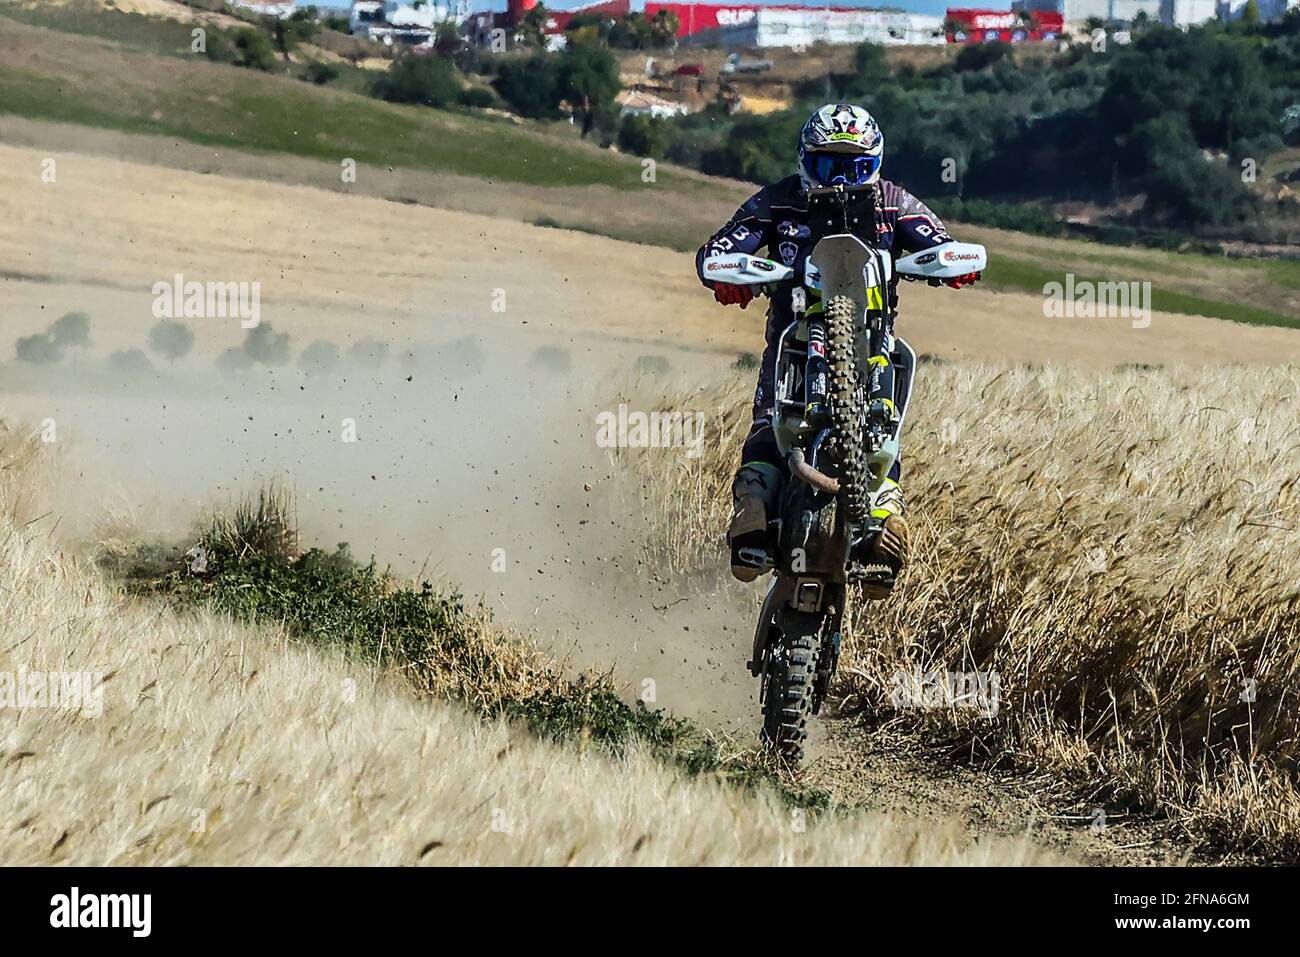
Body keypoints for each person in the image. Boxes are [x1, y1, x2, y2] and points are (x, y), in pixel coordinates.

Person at [695, 103, 980, 585]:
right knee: (767, 424)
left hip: (871, 344)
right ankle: (752, 509)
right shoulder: (778, 201)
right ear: (806, 160)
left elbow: (941, 242)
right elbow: (717, 251)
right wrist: (729, 276)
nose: (844, 180)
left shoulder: (894, 202)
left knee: (883, 426)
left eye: (857, 167)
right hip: (794, 342)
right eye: (830, 166)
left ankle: (886, 519)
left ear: (876, 164)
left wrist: (954, 263)